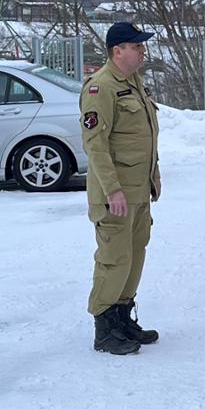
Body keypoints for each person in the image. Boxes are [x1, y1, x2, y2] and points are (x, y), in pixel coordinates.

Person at [81, 22, 163, 356]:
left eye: (142, 46)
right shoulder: (101, 88)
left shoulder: (134, 83)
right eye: (136, 46)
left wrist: (152, 180)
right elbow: (96, 145)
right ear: (118, 51)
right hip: (115, 195)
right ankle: (105, 328)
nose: (142, 51)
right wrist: (112, 190)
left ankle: (122, 317)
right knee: (114, 259)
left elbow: (144, 138)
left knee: (134, 254)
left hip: (138, 191)